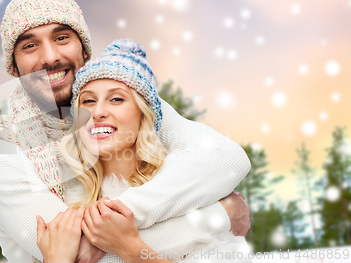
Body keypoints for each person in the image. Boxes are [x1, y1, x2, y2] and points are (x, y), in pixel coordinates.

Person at [0, 0, 252, 262]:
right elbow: (80, 254)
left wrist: (120, 219)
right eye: (30, 45)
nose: (50, 57)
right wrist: (221, 215)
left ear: (84, 50)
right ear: (13, 66)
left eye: (62, 37)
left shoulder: (129, 101)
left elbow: (227, 158)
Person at [36, 39, 251, 263]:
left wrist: (129, 248)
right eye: (88, 101)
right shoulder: (64, 202)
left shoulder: (186, 189)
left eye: (116, 99)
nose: (98, 111)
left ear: (143, 115)